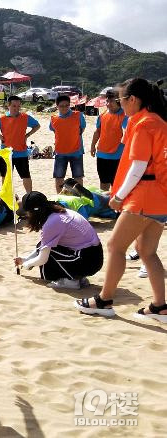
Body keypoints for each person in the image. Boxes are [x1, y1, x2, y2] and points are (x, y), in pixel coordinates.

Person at [74, 78, 167, 322]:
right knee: (146, 251)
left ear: (133, 100)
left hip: (144, 196)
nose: (120, 104)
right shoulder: (158, 121)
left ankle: (104, 299)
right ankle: (160, 306)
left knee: (116, 246)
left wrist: (118, 197)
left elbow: (137, 167)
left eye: (121, 100)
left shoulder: (145, 124)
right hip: (160, 198)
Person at [14, 192, 103, 289]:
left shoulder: (52, 223)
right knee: (44, 245)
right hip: (93, 257)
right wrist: (25, 259)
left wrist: (28, 264)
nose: (26, 216)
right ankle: (77, 277)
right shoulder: (60, 212)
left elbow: (42, 259)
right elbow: (41, 246)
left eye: (27, 213)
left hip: (88, 261)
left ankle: (70, 282)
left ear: (35, 212)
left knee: (49, 252)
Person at [0, 96, 41, 193]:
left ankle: (29, 195)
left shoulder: (25, 117)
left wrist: (27, 135)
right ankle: (5, 196)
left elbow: (37, 125)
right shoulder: (2, 118)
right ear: (8, 105)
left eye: (18, 106)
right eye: (14, 106)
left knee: (26, 176)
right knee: (6, 176)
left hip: (22, 152)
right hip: (6, 153)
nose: (16, 108)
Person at [90, 90, 128, 191]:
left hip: (117, 155)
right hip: (102, 154)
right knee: (103, 182)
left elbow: (128, 133)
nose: (108, 104)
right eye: (107, 101)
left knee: (116, 183)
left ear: (118, 102)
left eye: (111, 101)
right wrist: (92, 146)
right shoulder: (102, 115)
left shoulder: (125, 116)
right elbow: (97, 131)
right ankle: (105, 205)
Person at [50, 95, 87, 193]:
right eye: (62, 106)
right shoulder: (53, 118)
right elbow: (54, 130)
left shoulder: (78, 115)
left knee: (78, 177)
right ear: (57, 106)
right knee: (59, 177)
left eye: (67, 105)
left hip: (76, 152)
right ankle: (59, 197)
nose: (65, 108)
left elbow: (82, 128)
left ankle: (80, 197)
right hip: (60, 152)